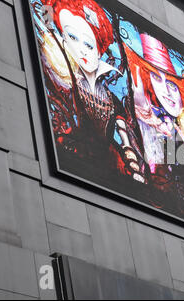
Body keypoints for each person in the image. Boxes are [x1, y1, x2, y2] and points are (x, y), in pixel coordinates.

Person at [38, 0, 144, 182]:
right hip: (72, 158)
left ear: (99, 51)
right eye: (71, 37)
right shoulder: (60, 85)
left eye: (89, 45)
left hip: (111, 165)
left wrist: (129, 155)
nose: (81, 50)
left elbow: (124, 136)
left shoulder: (111, 97)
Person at [123, 34, 184, 215]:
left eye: (171, 83)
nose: (165, 91)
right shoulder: (146, 121)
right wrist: (140, 115)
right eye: (156, 77)